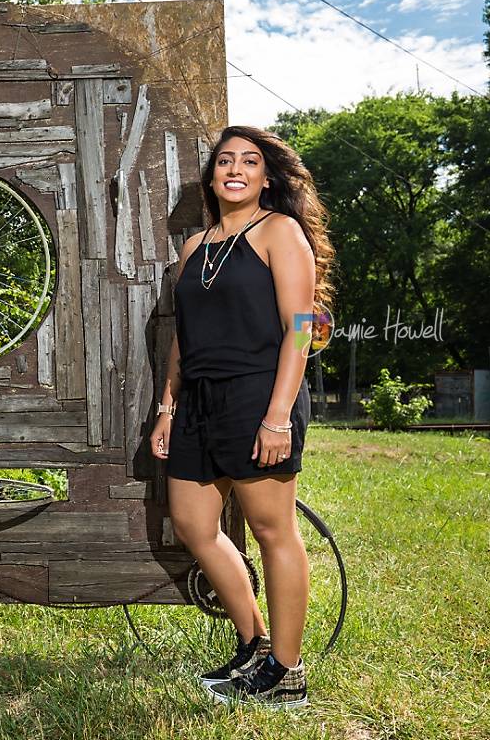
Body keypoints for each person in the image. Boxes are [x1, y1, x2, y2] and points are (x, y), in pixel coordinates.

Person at [149, 125, 333, 709]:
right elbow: (184, 334)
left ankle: (287, 671)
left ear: (266, 177)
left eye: (249, 161)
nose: (235, 169)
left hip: (259, 395)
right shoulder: (195, 246)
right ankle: (255, 645)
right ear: (211, 177)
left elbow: (302, 328)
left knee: (272, 530)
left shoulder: (280, 232)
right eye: (224, 160)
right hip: (198, 400)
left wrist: (278, 416)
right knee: (194, 526)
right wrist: (167, 407)